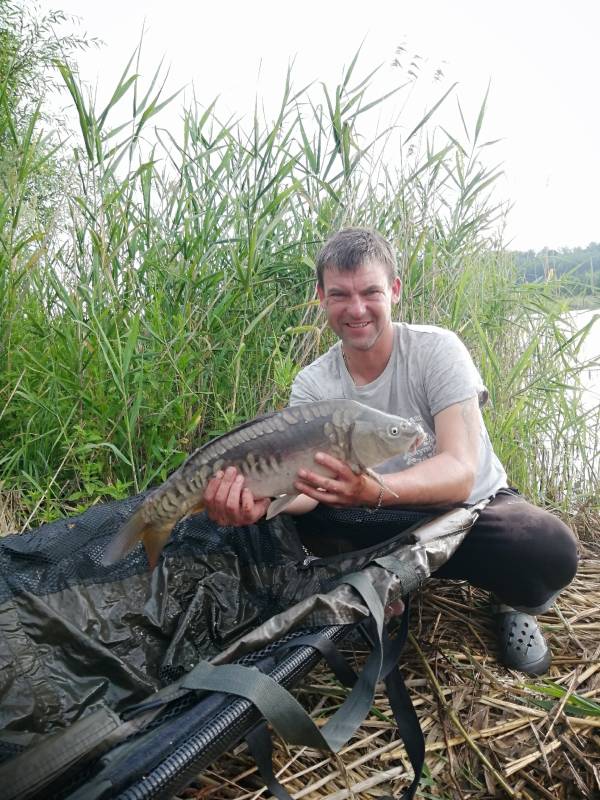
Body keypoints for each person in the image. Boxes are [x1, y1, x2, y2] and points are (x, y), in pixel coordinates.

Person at [204, 227, 578, 675]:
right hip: (372, 518)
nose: (356, 308)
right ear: (321, 296)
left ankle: (511, 601)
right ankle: (385, 584)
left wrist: (372, 491)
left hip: (467, 513)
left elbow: (461, 470)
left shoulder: (437, 349)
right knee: (282, 529)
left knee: (546, 545)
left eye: (370, 291)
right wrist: (260, 506)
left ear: (395, 291)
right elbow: (305, 490)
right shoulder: (314, 383)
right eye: (340, 294)